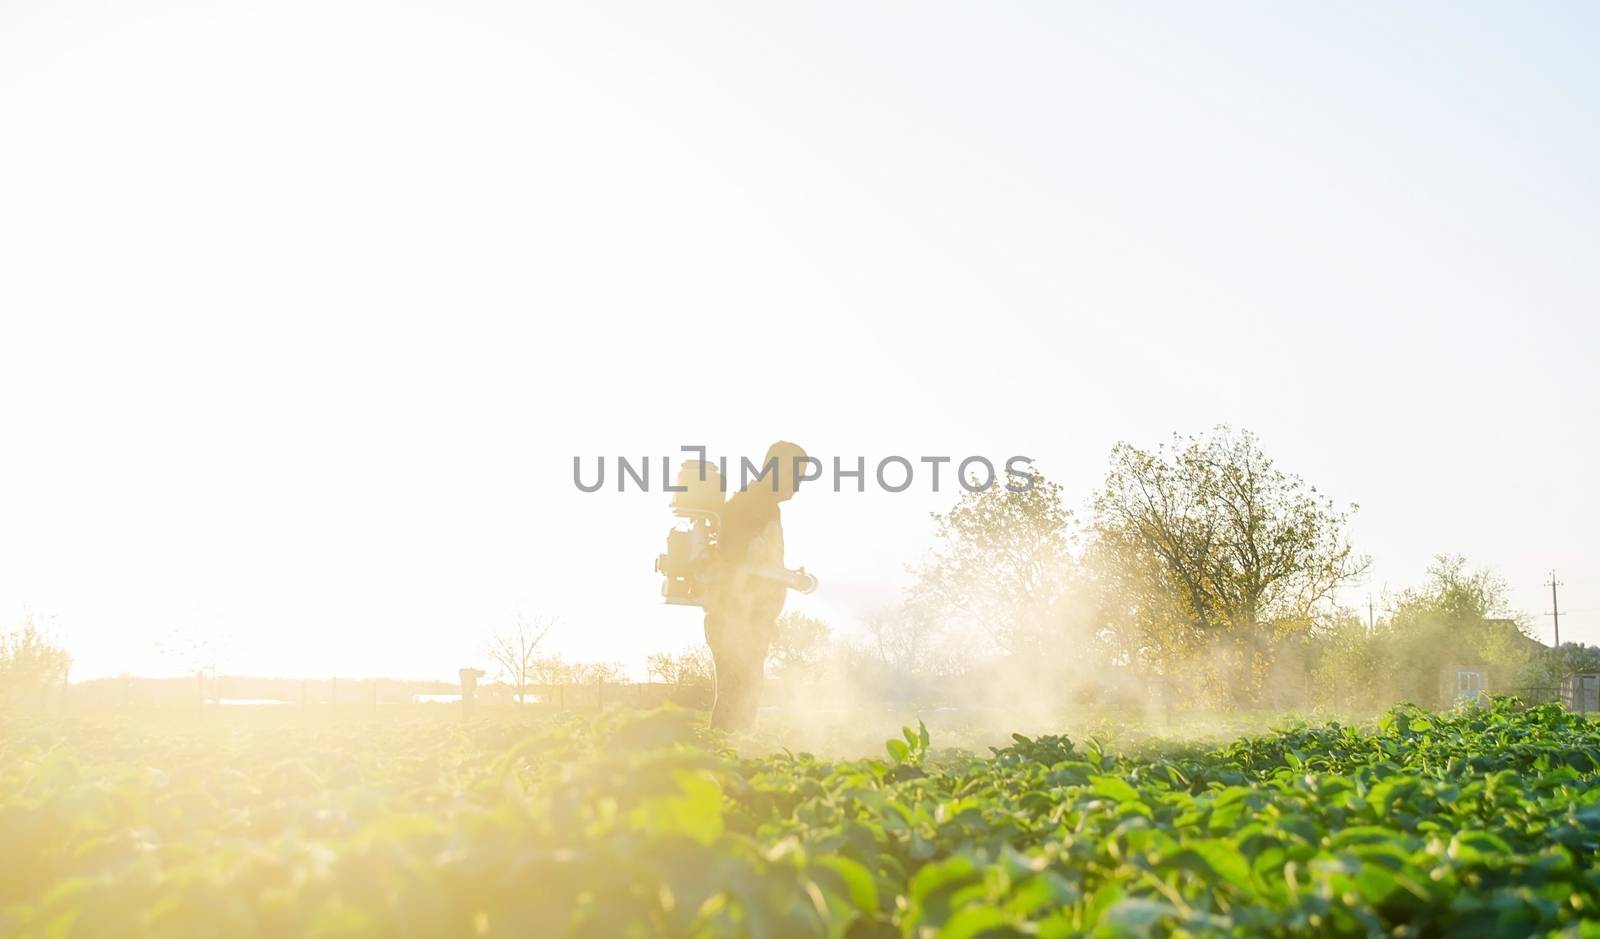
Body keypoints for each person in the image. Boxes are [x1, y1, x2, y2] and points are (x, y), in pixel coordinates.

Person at [703, 440, 812, 731]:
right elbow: (739, 565)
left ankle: (732, 764)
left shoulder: (765, 508)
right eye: (797, 476)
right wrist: (787, 579)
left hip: (751, 622)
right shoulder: (747, 505)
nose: (798, 487)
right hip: (735, 620)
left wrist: (781, 584)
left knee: (744, 700)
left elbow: (760, 566)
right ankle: (720, 765)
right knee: (734, 702)